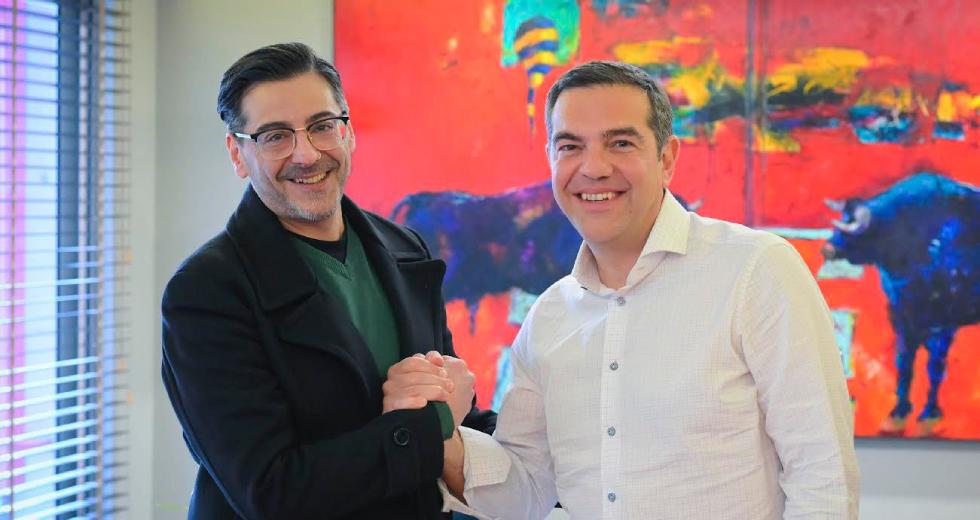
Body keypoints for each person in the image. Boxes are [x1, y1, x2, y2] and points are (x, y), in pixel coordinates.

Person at [403, 61, 859, 519]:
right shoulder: (549, 317)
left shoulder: (756, 270)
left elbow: (823, 479)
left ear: (667, 158)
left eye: (620, 143)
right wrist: (439, 426)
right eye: (570, 146)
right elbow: (522, 493)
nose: (593, 168)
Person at [160, 42, 494, 520]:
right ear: (238, 154)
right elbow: (272, 493)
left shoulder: (405, 249)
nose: (307, 154)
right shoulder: (206, 292)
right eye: (275, 136)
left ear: (348, 132)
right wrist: (433, 422)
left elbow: (461, 413)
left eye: (322, 126)